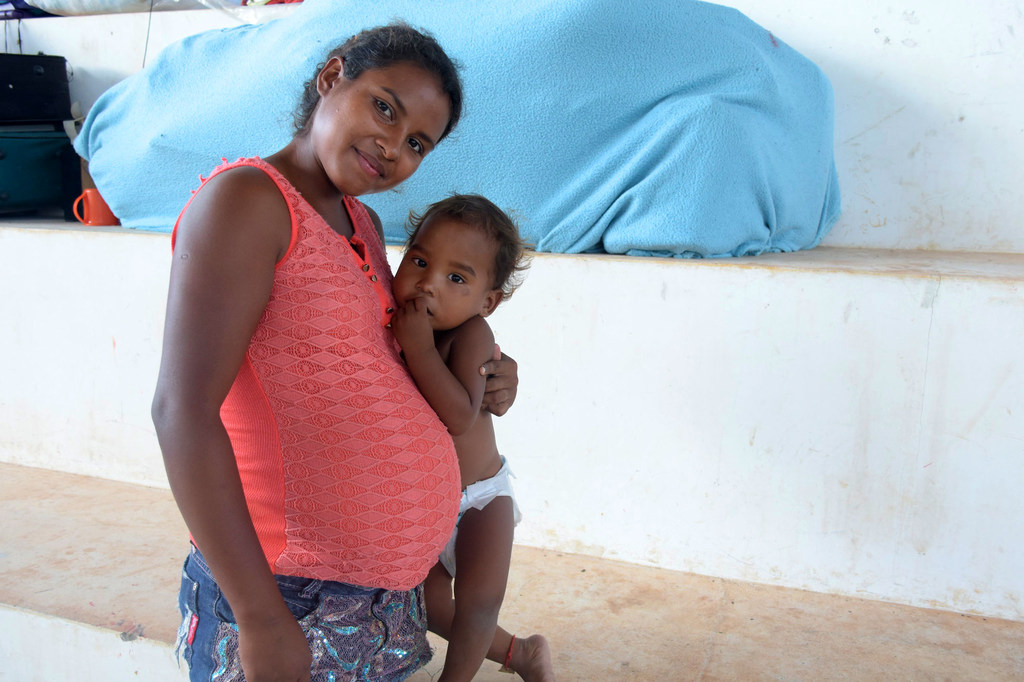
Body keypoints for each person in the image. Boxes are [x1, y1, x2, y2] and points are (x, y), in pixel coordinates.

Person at [151, 24, 519, 682]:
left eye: (417, 144)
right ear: (331, 76)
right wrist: (260, 616)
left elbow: (374, 355)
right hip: (287, 596)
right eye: (384, 106)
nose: (392, 145)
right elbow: (182, 411)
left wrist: (488, 368)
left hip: (381, 606)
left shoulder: (363, 223)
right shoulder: (249, 202)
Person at [390, 195, 554, 682]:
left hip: (480, 497)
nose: (427, 283)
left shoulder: (472, 335)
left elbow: (461, 415)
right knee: (436, 610)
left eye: (456, 278)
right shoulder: (393, 322)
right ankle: (522, 654)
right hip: (424, 503)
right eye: (419, 261)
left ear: (488, 300)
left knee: (479, 603)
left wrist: (417, 347)